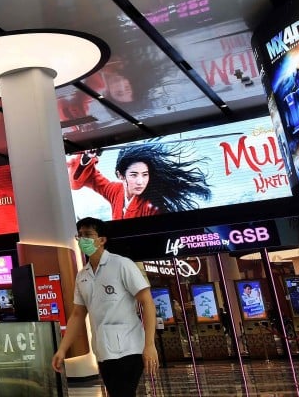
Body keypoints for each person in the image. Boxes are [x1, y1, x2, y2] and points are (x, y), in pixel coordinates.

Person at [51, 217, 158, 397]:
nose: (83, 239)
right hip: (103, 351)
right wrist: (62, 349)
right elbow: (77, 314)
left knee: (122, 393)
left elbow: (147, 302)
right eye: (80, 235)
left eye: (88, 234)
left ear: (102, 240)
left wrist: (149, 345)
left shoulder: (121, 264)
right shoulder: (82, 276)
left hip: (129, 347)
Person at [68, 142, 211, 219]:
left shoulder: (152, 205)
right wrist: (87, 157)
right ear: (120, 175)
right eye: (134, 175)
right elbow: (89, 178)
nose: (140, 182)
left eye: (145, 175)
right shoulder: (115, 191)